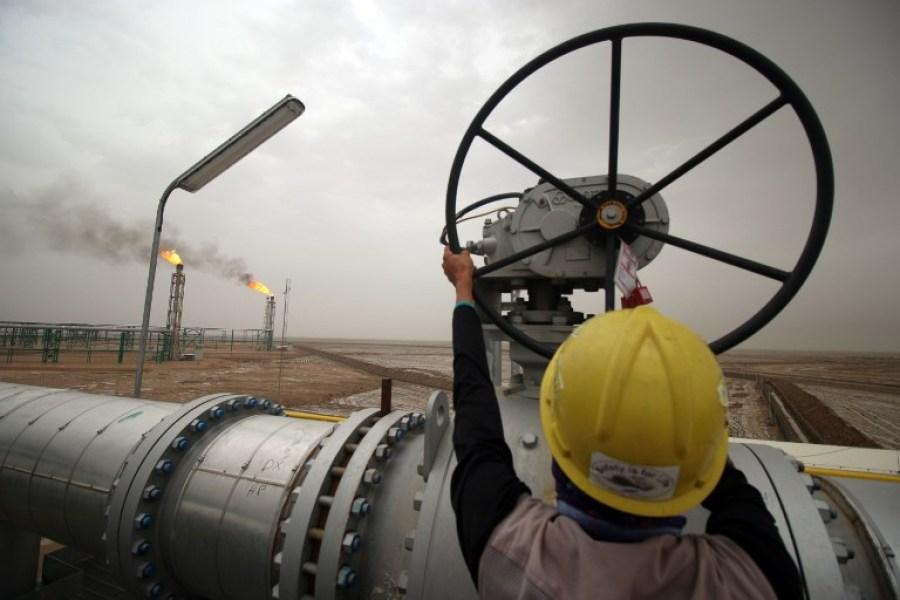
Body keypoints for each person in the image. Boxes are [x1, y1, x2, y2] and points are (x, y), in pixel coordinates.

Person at [442, 247, 802, 600]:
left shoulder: (507, 552)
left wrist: (464, 288)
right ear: (700, 467)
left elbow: (476, 421)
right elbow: (733, 492)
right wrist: (670, 398)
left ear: (558, 447)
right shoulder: (758, 579)